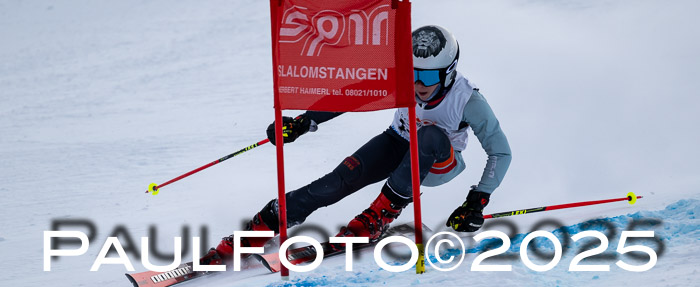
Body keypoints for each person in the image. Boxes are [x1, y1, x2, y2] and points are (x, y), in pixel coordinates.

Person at [202, 25, 512, 265]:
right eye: (412, 73)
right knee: (335, 183)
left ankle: (377, 217)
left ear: (448, 72)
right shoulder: (401, 78)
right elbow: (351, 96)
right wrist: (304, 121)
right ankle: (261, 230)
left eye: (428, 76)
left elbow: (500, 151)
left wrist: (477, 200)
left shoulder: (468, 100)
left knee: (429, 136)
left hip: (438, 162)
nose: (417, 84)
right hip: (397, 142)